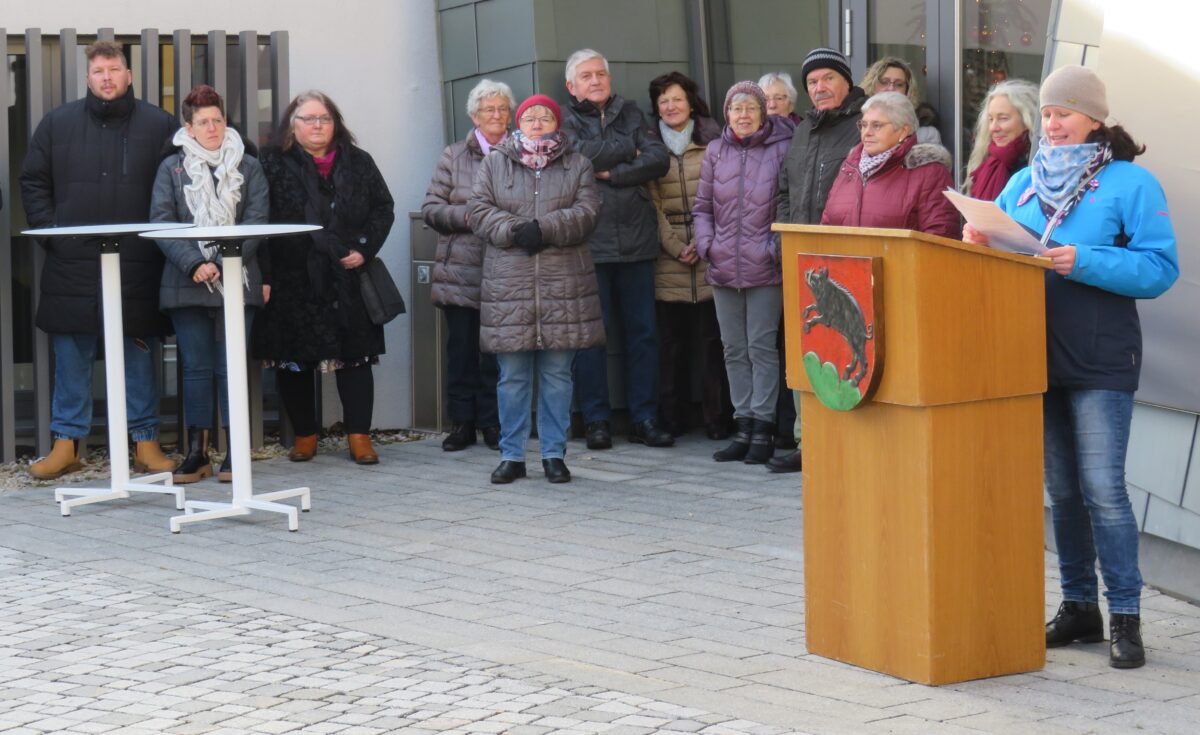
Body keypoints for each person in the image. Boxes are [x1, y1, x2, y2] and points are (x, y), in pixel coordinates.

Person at [963, 65, 1178, 669]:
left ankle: (1126, 615)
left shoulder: (1131, 182)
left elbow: (1159, 270)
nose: (1052, 124)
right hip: (1033, 355)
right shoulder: (1023, 183)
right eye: (1049, 114)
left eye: (1064, 113)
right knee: (1061, 492)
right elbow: (992, 248)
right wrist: (978, 242)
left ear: (1094, 118)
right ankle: (1081, 608)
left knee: (1103, 490)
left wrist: (1084, 259)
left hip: (1101, 357)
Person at [20, 40, 178, 480]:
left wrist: (157, 241)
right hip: (72, 263)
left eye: (113, 69)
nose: (106, 78)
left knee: (138, 355)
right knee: (72, 353)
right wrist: (54, 235)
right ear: (88, 79)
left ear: (128, 74)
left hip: (138, 262)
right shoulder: (58, 123)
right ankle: (66, 444)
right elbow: (33, 181)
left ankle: (145, 443)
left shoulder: (159, 124)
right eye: (98, 71)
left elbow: (176, 184)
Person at [251, 90, 395, 465]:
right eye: (308, 119)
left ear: (335, 124)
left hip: (347, 276)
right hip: (291, 277)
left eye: (324, 118)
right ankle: (305, 436)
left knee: (355, 358)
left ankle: (359, 437)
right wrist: (265, 275)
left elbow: (384, 207)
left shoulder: (359, 162)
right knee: (293, 360)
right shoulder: (271, 162)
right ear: (292, 125)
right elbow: (258, 219)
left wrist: (364, 248)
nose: (317, 125)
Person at [468, 94, 603, 485]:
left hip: (564, 285)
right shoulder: (495, 162)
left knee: (558, 375)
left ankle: (553, 454)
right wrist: (515, 230)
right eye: (530, 117)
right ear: (519, 123)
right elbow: (478, 210)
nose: (538, 122)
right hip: (509, 285)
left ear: (557, 123)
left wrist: (544, 229)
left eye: (546, 116)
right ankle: (511, 456)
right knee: (512, 377)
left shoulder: (578, 164)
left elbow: (588, 211)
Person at [150, 84, 268, 484]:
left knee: (231, 366)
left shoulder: (248, 165)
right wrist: (194, 263)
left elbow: (257, 221)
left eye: (217, 120)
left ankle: (236, 452)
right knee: (196, 368)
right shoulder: (172, 168)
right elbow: (161, 221)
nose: (212, 128)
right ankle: (197, 453)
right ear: (189, 127)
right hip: (186, 282)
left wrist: (220, 262)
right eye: (203, 122)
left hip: (237, 279)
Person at [560, 48, 674, 450]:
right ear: (571, 86)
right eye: (586, 76)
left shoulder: (631, 113)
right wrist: (629, 151)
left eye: (600, 74)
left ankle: (644, 418)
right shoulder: (565, 119)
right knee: (592, 337)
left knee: (643, 335)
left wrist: (610, 172)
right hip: (591, 244)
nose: (595, 81)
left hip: (638, 242)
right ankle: (596, 420)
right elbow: (575, 158)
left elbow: (658, 160)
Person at [770, 47, 866, 474]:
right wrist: (786, 237)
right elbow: (785, 191)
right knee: (805, 348)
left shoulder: (863, 124)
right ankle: (806, 439)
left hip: (846, 262)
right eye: (812, 82)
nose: (820, 87)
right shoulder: (803, 130)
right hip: (803, 259)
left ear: (846, 82)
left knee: (843, 344)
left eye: (828, 78)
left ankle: (844, 439)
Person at [693, 82, 795, 465]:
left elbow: (787, 202)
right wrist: (707, 245)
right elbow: (702, 207)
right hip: (723, 264)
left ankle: (764, 427)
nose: (743, 115)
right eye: (736, 108)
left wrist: (775, 248)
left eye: (751, 107)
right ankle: (744, 425)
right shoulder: (716, 150)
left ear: (763, 112)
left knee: (761, 347)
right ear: (727, 114)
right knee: (733, 348)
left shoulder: (781, 148)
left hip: (766, 265)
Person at [422, 79, 514, 453]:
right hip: (460, 270)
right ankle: (461, 423)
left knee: (496, 353)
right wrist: (470, 217)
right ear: (474, 116)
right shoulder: (453, 155)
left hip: (505, 268)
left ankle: (493, 422)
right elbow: (431, 208)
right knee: (461, 350)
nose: (496, 115)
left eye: (503, 108)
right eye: (489, 109)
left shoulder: (520, 152)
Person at [646, 71, 732, 440]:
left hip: (709, 250)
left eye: (677, 99)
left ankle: (718, 419)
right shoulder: (649, 148)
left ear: (691, 103)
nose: (671, 106)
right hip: (668, 258)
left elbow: (721, 197)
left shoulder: (714, 142)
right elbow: (650, 204)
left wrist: (701, 240)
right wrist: (674, 245)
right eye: (663, 101)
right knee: (671, 345)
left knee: (714, 344)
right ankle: (672, 418)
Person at [820, 92, 958, 238]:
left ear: (903, 131)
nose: (867, 132)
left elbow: (939, 237)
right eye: (864, 125)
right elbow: (826, 229)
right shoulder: (849, 167)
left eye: (877, 125)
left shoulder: (930, 173)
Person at [962, 79, 1040, 201]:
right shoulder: (987, 162)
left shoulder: (1040, 164)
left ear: (1027, 119)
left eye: (1003, 118)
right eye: (991, 119)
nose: (993, 128)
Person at [859, 56, 941, 145]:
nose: (891, 88)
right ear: (871, 86)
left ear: (907, 90)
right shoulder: (855, 121)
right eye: (884, 82)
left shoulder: (925, 134)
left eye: (899, 84)